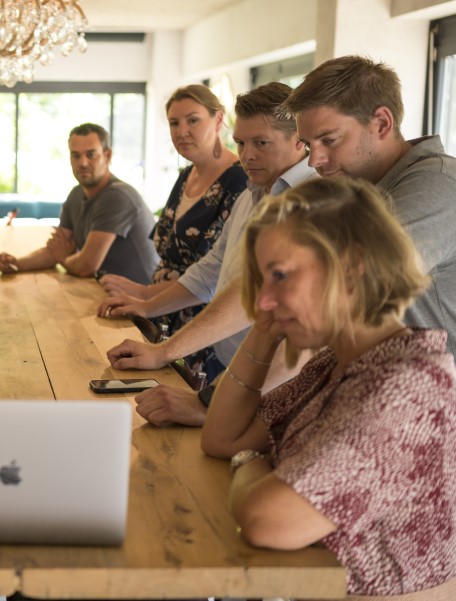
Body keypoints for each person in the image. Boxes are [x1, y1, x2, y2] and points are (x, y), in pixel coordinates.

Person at [200, 177, 456, 598]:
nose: (262, 299)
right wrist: (264, 333)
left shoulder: (409, 386)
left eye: (280, 275)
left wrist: (250, 463)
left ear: (351, 267)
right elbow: (222, 437)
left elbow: (270, 520)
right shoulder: (336, 365)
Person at [101, 83, 315, 426]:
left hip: (278, 379)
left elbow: (257, 294)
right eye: (242, 143)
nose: (246, 155)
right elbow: (210, 271)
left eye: (261, 143)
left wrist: (165, 352)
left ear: (299, 140)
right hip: (234, 362)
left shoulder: (313, 202)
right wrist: (146, 305)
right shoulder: (251, 194)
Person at [284, 55, 456, 359]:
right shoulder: (361, 192)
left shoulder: (439, 184)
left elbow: (340, 290)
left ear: (381, 123)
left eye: (329, 139)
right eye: (309, 145)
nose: (314, 160)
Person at [103, 85, 247, 374]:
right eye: (174, 123)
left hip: (204, 330)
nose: (182, 131)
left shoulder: (242, 179)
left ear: (218, 121)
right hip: (163, 318)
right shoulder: (185, 175)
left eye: (193, 120)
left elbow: (212, 273)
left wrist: (145, 295)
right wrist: (144, 298)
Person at [0, 123, 158, 281]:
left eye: (91, 155)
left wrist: (63, 258)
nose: (83, 163)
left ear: (107, 155)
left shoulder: (118, 196)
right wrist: (15, 264)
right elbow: (54, 251)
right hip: (104, 293)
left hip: (142, 304)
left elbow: (86, 266)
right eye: (76, 155)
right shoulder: (76, 194)